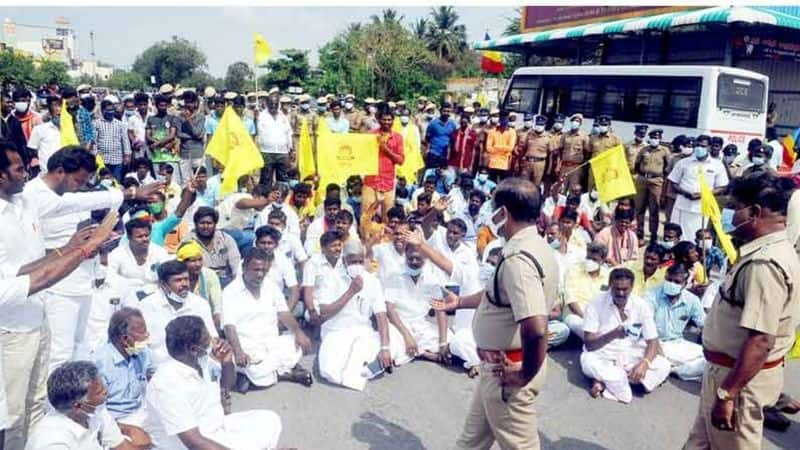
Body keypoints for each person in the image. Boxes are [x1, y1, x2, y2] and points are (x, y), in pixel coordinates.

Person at [434, 177, 557, 449]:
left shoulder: (518, 260)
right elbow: (497, 296)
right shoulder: (532, 246)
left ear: (504, 213)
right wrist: (460, 302)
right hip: (495, 369)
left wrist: (523, 375)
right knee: (472, 441)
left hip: (509, 372)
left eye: (494, 207)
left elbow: (536, 328)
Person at [684, 173, 800, 449]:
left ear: (755, 212)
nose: (730, 214)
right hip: (727, 374)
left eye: (735, 207)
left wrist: (727, 394)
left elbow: (761, 341)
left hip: (737, 381)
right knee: (699, 444)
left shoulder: (765, 265)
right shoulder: (770, 252)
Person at [145, 316, 282, 449]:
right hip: (192, 444)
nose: (213, 341)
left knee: (270, 420)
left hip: (217, 427)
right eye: (207, 339)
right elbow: (194, 442)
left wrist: (227, 362)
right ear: (193, 349)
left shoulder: (202, 360)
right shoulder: (166, 385)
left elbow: (227, 385)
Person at [222, 248, 312, 392]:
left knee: (295, 344)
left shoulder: (271, 286)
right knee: (247, 363)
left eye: (264, 270)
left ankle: (254, 378)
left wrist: (299, 334)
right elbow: (229, 326)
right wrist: (238, 351)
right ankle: (284, 373)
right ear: (244, 267)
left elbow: (284, 313)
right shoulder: (230, 292)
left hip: (271, 342)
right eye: (256, 270)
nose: (260, 274)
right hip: (247, 346)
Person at [315, 239, 401, 390]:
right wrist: (350, 292)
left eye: (360, 261)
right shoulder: (331, 278)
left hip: (363, 332)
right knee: (328, 371)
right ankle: (367, 368)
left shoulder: (372, 281)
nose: (357, 266)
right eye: (353, 261)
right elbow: (324, 311)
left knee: (394, 335)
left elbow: (381, 315)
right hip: (337, 331)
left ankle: (373, 361)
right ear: (343, 260)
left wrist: (385, 348)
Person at [580, 268, 671, 403]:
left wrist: (644, 364)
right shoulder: (595, 304)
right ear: (610, 285)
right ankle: (621, 381)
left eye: (625, 289)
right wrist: (614, 334)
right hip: (602, 354)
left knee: (664, 365)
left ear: (632, 287)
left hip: (630, 353)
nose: (621, 293)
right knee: (588, 362)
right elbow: (589, 343)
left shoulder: (641, 305)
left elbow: (652, 341)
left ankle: (605, 383)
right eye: (617, 289)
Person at [25, 361, 131, 450]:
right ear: (78, 406)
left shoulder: (95, 408)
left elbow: (121, 446)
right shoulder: (53, 441)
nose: (106, 392)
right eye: (99, 392)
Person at [133, 260, 218, 366]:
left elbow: (212, 338)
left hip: (197, 367)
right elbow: (139, 344)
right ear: (163, 284)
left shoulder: (200, 304)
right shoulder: (146, 306)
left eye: (186, 279)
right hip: (161, 368)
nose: (184, 284)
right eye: (178, 280)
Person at [93, 307, 154, 434]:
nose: (146, 337)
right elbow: (97, 411)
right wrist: (125, 429)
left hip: (141, 414)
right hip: (113, 422)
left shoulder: (143, 353)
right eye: (142, 333)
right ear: (124, 339)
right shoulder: (100, 363)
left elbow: (155, 378)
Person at [645, 264, 706, 382]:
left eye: (677, 282)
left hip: (676, 343)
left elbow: (704, 325)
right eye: (669, 280)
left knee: (709, 360)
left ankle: (673, 370)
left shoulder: (692, 300)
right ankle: (674, 368)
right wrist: (657, 350)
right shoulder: (651, 295)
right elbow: (647, 326)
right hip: (652, 343)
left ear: (685, 284)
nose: (672, 284)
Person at [668, 135, 729, 240]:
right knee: (679, 236)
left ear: (709, 147)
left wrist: (704, 194)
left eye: (703, 146)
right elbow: (673, 182)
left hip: (702, 208)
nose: (699, 148)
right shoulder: (683, 163)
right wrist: (685, 193)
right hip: (682, 206)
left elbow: (722, 186)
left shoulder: (717, 165)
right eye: (697, 145)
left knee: (698, 236)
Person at [363, 103, 404, 226]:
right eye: (384, 119)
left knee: (388, 217)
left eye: (389, 119)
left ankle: (387, 242)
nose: (387, 122)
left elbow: (400, 160)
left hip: (388, 182)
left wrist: (385, 149)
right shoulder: (370, 135)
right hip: (371, 181)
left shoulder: (397, 138)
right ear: (379, 119)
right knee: (367, 215)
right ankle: (366, 241)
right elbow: (362, 157)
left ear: (393, 120)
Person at [108, 218, 170, 297]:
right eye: (139, 236)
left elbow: (169, 276)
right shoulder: (117, 254)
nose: (144, 239)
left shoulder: (160, 252)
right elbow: (110, 278)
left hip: (157, 297)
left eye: (147, 235)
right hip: (127, 297)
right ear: (129, 237)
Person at [562, 242, 611, 339]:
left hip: (598, 317)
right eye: (588, 258)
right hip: (576, 315)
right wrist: (586, 318)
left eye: (594, 259)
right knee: (582, 326)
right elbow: (571, 301)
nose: (590, 262)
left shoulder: (607, 275)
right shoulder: (573, 270)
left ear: (602, 261)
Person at [185, 207, 242, 287]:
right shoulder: (188, 241)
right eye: (202, 223)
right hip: (201, 280)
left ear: (215, 224)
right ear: (196, 224)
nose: (205, 226)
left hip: (224, 279)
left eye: (209, 223)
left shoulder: (225, 239)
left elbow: (236, 263)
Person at [634, 128, 671, 243]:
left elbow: (668, 167)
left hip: (656, 182)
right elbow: (637, 163)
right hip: (642, 180)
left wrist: (660, 177)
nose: (655, 139)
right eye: (653, 138)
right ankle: (639, 232)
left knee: (654, 208)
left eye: (657, 138)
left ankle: (653, 234)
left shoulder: (664, 151)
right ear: (649, 138)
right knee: (639, 208)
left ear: (660, 139)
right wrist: (641, 174)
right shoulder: (644, 150)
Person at [175, 240, 223, 330]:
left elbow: (217, 306)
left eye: (200, 259)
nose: (198, 264)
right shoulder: (175, 279)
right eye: (192, 261)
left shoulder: (210, 275)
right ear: (182, 262)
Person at [94, 99, 132, 181]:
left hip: (117, 158)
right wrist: (95, 154)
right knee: (102, 180)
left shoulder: (120, 124)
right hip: (102, 158)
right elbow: (94, 141)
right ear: (102, 110)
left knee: (116, 181)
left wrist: (127, 155)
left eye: (112, 110)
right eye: (108, 110)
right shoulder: (96, 123)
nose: (110, 112)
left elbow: (125, 140)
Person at [257, 99, 293, 185]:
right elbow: (257, 134)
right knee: (266, 178)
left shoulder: (283, 116)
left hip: (282, 152)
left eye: (275, 104)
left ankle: (281, 197)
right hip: (266, 152)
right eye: (271, 104)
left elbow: (288, 133)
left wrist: (291, 148)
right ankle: (265, 197)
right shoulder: (261, 116)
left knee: (283, 179)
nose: (273, 106)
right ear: (267, 104)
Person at [173, 90, 205, 184]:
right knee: (186, 181)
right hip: (185, 153)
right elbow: (179, 134)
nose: (189, 104)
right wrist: (195, 136)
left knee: (199, 180)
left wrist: (188, 120)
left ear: (195, 103)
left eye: (191, 102)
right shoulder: (179, 117)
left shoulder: (200, 117)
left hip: (197, 153)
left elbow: (197, 132)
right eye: (187, 102)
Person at [26, 96, 63, 174]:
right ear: (50, 114)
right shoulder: (39, 130)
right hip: (45, 173)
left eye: (62, 114)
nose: (61, 117)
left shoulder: (71, 131)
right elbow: (32, 150)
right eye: (58, 115)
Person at [588, 115, 623, 189]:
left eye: (605, 125)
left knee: (605, 190)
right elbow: (588, 152)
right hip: (594, 168)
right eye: (601, 124)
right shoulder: (593, 138)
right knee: (591, 189)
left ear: (609, 126)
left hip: (607, 169)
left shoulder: (615, 139)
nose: (602, 126)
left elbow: (620, 155)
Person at [561, 113, 591, 189]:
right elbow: (560, 150)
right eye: (573, 121)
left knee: (573, 190)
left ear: (580, 123)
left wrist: (583, 168)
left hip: (576, 168)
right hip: (564, 167)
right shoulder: (565, 135)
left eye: (577, 121)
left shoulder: (584, 137)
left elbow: (587, 153)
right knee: (561, 190)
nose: (575, 123)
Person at [521, 114, 552, 187]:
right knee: (524, 184)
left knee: (536, 185)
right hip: (527, 162)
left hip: (539, 163)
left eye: (541, 125)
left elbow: (551, 154)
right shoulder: (529, 135)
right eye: (537, 124)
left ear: (544, 126)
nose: (539, 127)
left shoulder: (548, 137)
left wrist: (549, 169)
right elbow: (524, 148)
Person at [423, 102, 456, 169]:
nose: (446, 113)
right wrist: (427, 151)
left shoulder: (452, 124)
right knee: (431, 175)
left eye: (448, 111)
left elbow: (453, 140)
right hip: (434, 153)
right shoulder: (433, 124)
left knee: (443, 176)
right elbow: (427, 138)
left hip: (446, 155)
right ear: (440, 111)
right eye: (444, 111)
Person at [485, 111, 516, 180]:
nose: (504, 121)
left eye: (506, 119)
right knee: (492, 184)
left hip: (505, 164)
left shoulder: (512, 132)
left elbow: (510, 148)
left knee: (503, 184)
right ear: (499, 120)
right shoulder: (492, 131)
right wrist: (504, 149)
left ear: (508, 120)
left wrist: (496, 147)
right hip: (493, 163)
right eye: (502, 119)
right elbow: (488, 148)